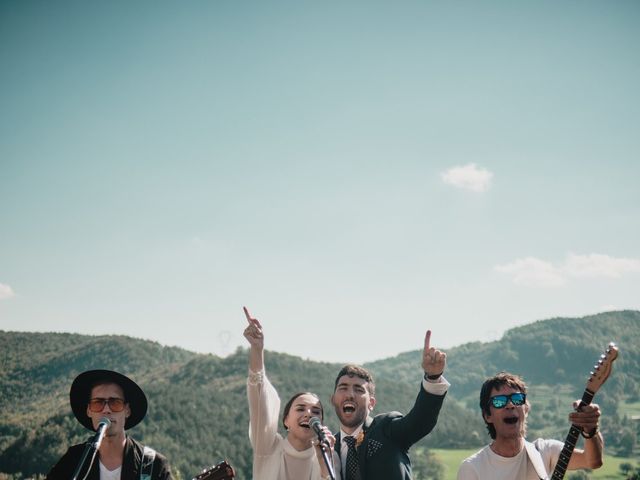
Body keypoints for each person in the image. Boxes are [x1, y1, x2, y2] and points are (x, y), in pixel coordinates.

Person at [331, 330, 449, 480]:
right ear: (333, 399)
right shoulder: (328, 450)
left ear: (371, 403)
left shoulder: (387, 429)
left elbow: (420, 421)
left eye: (358, 389)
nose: (350, 394)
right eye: (343, 388)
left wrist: (433, 378)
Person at [243, 306, 338, 480]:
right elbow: (259, 402)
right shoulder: (268, 446)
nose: (309, 414)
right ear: (286, 420)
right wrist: (257, 349)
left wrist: (325, 462)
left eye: (316, 412)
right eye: (301, 408)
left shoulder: (328, 456)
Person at [457, 372, 604, 480]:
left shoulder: (544, 451)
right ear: (487, 416)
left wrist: (591, 429)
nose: (510, 405)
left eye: (517, 399)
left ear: (526, 409)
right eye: (499, 401)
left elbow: (592, 461)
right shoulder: (472, 468)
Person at [46, 369, 173, 480]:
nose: (106, 410)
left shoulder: (153, 465)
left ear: (127, 410)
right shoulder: (73, 461)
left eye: (115, 403)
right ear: (89, 410)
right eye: (98, 403)